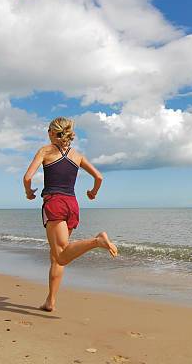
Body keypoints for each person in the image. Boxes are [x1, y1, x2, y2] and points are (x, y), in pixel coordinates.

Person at [23, 117, 118, 312]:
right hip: (72, 205)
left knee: (62, 256)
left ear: (52, 132)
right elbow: (99, 177)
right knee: (56, 256)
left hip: (55, 203)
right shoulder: (77, 155)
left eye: (48, 130)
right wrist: (93, 193)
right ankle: (50, 301)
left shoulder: (45, 151)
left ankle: (97, 241)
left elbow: (27, 177)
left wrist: (28, 192)